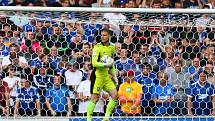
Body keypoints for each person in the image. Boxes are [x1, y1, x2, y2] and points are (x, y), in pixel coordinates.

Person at [87, 28, 118, 121]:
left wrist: (115, 76)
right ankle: (89, 119)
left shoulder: (112, 47)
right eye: (101, 35)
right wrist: (105, 64)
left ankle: (106, 117)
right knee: (95, 98)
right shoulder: (97, 47)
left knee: (115, 95)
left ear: (109, 36)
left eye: (104, 35)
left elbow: (111, 64)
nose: (102, 37)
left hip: (106, 76)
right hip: (97, 76)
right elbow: (94, 63)